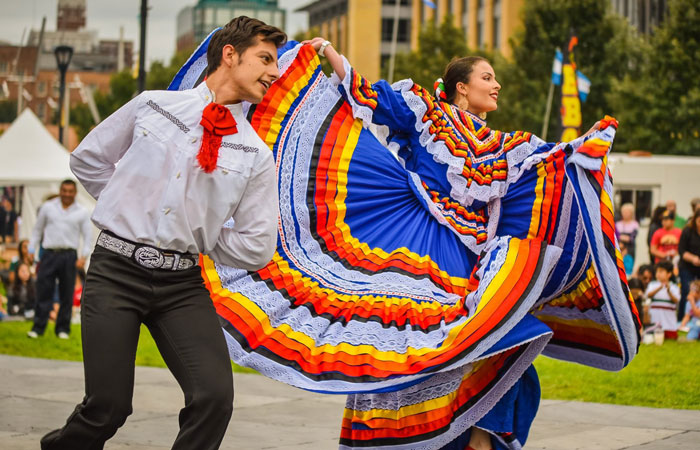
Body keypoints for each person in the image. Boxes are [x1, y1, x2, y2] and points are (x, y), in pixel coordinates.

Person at [170, 35, 640, 449]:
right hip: (413, 243)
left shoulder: (504, 143)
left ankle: (478, 439)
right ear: (462, 86)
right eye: (487, 77)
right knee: (406, 350)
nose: (496, 85)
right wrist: (328, 53)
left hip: (468, 254)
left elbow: (551, 163)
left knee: (500, 342)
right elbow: (368, 95)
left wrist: (589, 148)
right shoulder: (423, 109)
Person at [39, 17, 284, 450]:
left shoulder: (255, 154)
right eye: (265, 58)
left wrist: (199, 234)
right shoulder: (153, 106)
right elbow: (88, 160)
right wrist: (128, 204)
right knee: (108, 406)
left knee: (214, 397)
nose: (275, 72)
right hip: (115, 270)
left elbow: (256, 244)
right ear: (230, 55)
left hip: (181, 285)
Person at [27, 180, 92, 339]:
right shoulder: (48, 207)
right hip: (49, 253)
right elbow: (37, 230)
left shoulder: (82, 212)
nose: (67, 194)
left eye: (70, 191)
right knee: (44, 290)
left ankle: (63, 328)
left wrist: (83, 256)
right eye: (64, 190)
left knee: (66, 292)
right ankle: (38, 328)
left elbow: (87, 237)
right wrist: (31, 249)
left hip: (69, 255)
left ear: (75, 193)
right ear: (60, 191)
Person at [646, 261, 680, 340]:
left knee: (671, 337)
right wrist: (659, 288)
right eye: (657, 271)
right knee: (654, 335)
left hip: (668, 319)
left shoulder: (674, 287)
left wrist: (669, 292)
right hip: (655, 317)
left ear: (669, 274)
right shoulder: (652, 284)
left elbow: (676, 300)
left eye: (661, 271)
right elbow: (648, 295)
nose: (658, 273)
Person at [678, 208, 700, 322]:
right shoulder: (687, 231)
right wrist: (693, 258)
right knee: (687, 290)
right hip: (687, 266)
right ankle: (681, 320)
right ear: (695, 220)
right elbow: (681, 251)